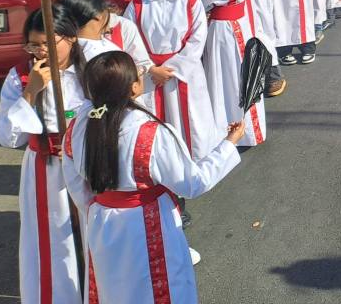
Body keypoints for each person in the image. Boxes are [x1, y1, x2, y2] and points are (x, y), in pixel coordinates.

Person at [62, 51, 243, 302]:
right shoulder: (150, 133)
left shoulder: (75, 129)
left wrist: (100, 208)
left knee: (113, 290)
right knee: (159, 289)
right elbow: (193, 183)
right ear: (135, 87)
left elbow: (77, 187)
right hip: (147, 222)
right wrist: (229, 144)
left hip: (102, 222)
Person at [0, 5, 86, 304]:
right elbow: (8, 137)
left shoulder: (92, 68)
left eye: (47, 43)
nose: (40, 52)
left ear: (71, 37)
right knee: (54, 243)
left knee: (92, 238)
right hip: (46, 170)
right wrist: (30, 92)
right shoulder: (21, 76)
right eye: (33, 45)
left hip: (88, 165)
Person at [124, 0, 222, 158]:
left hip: (185, 73)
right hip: (151, 75)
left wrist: (169, 70)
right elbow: (129, 42)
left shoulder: (190, 2)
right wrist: (151, 68)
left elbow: (197, 41)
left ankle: (197, 160)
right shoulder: (136, 7)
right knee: (157, 121)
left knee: (192, 120)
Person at [196, 0, 266, 146]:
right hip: (240, 24)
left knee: (225, 78)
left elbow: (199, 2)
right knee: (241, 74)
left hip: (223, 30)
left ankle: (233, 129)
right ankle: (250, 129)